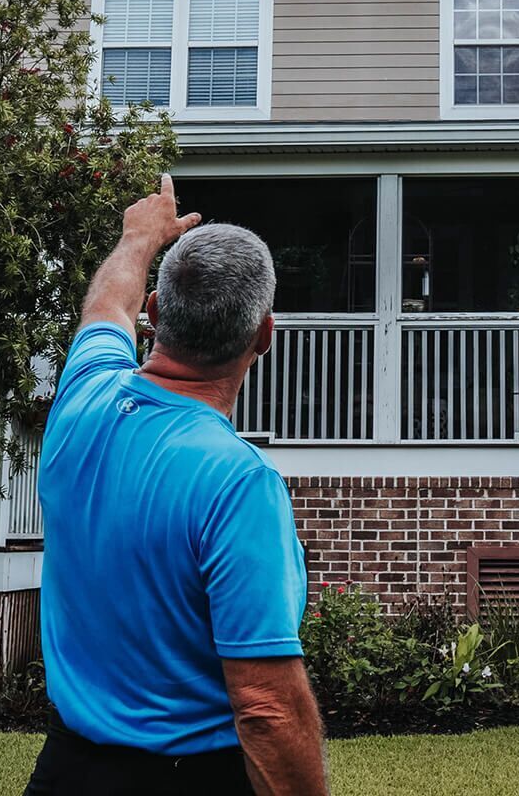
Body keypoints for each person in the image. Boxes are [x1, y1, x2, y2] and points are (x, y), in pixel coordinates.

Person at [25, 175, 329, 796]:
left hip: (65, 772)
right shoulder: (238, 482)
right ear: (264, 336)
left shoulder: (82, 400)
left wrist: (140, 236)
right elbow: (267, 710)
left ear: (156, 316)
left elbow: (106, 305)